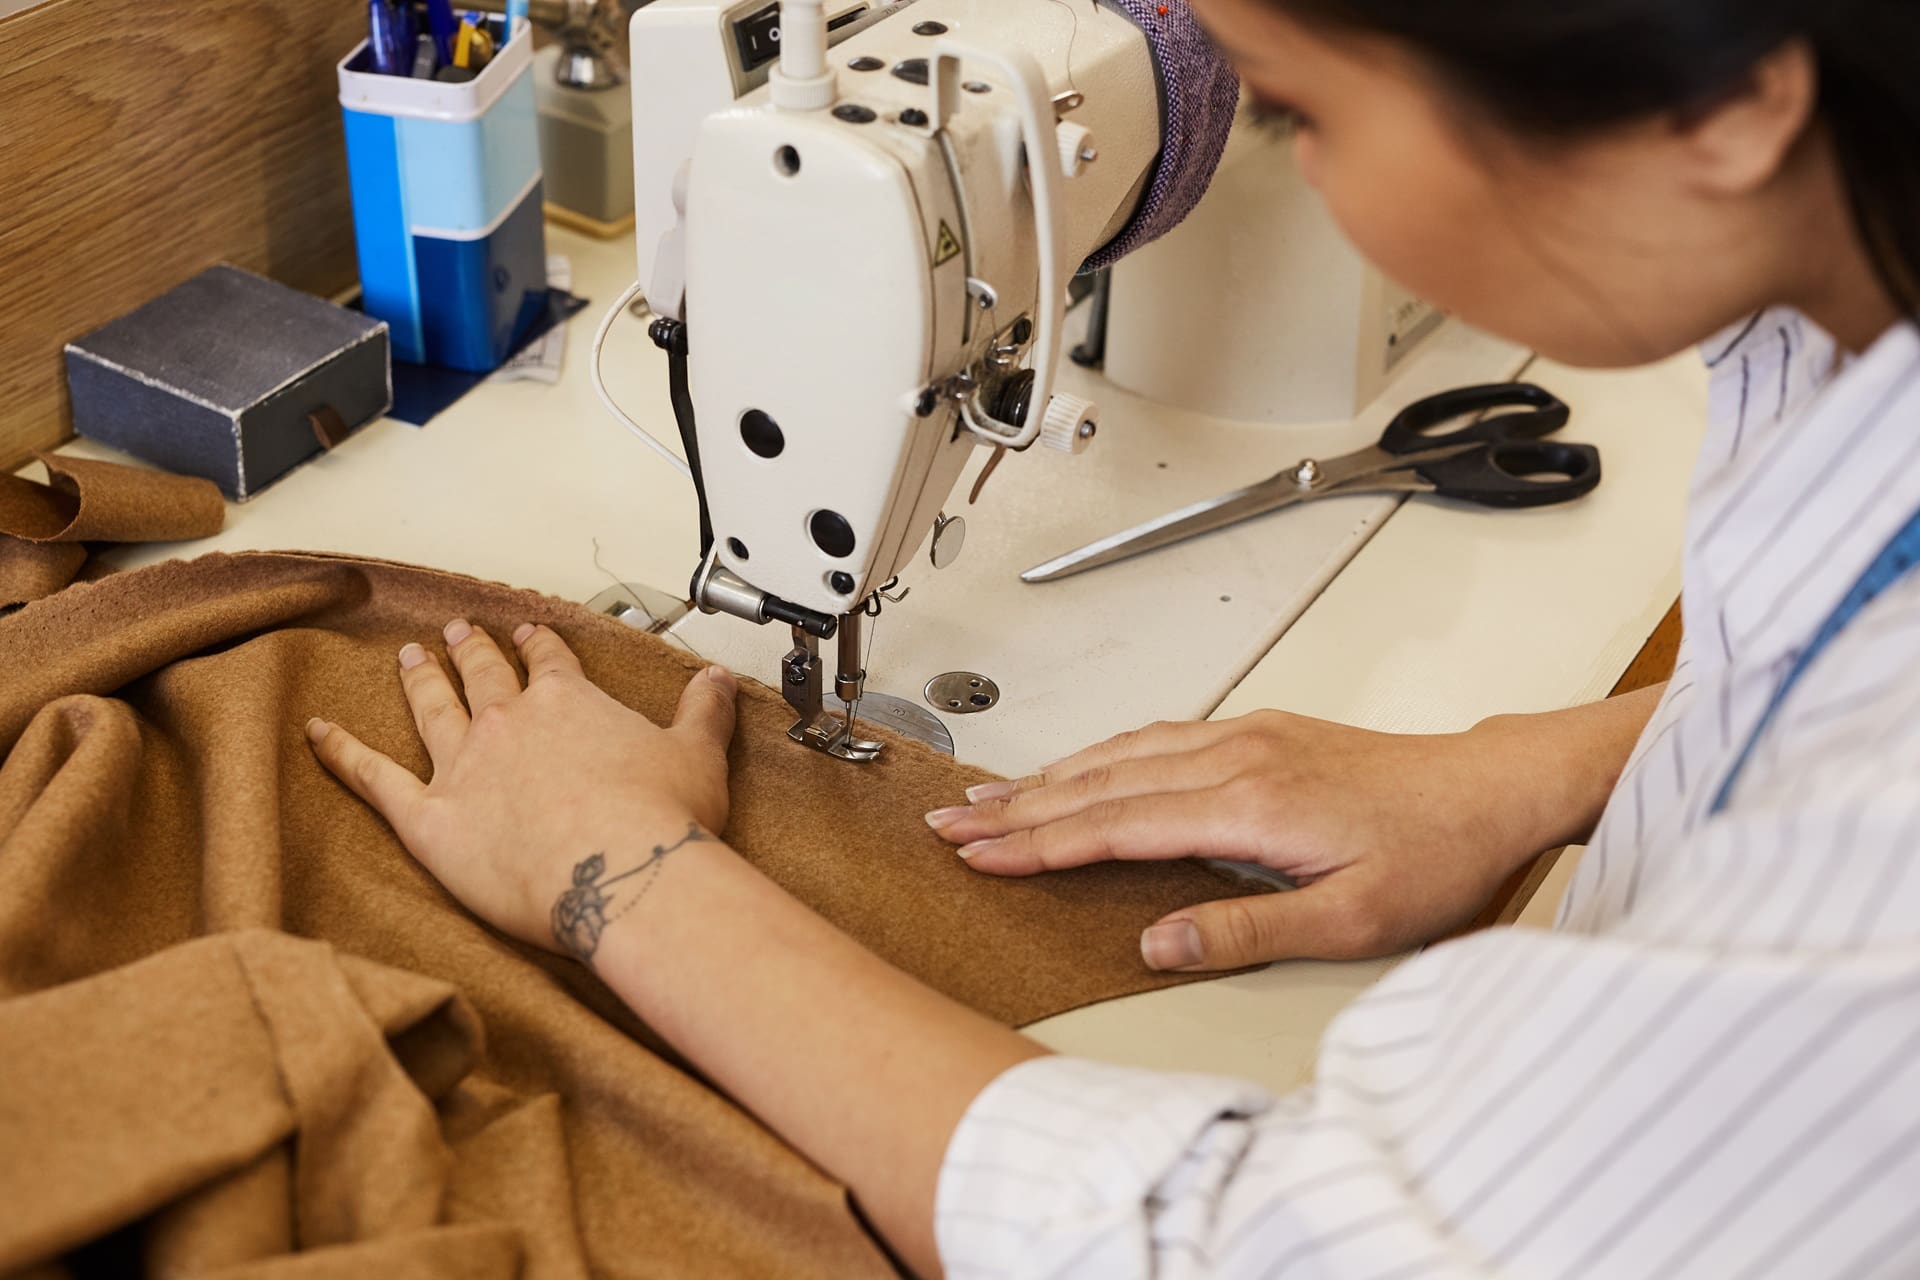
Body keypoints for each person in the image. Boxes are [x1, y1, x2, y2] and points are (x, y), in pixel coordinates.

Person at [304, 0, 1920, 1273]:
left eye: (1298, 107)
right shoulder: (1839, 326)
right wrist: (1547, 760)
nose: (1294, 151)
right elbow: (1817, 662)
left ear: (1719, 104)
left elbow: (1236, 1246)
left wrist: (627, 877)